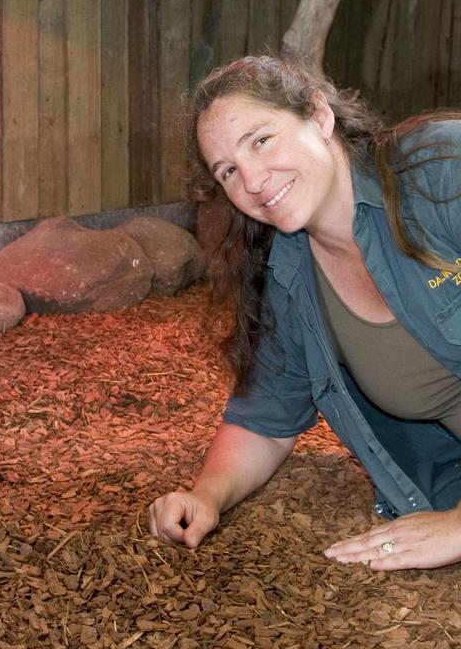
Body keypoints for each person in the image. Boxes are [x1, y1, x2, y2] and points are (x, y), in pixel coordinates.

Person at [147, 54, 461, 571]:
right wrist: (205, 495)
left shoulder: (438, 172)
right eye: (227, 170)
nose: (250, 180)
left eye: (261, 140)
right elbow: (266, 418)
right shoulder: (291, 276)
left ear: (319, 115)